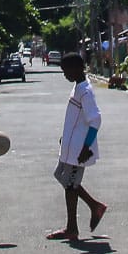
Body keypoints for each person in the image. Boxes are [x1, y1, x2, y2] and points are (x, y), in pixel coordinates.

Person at [47, 53, 106, 241]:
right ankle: (94, 206)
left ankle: (72, 228)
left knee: (71, 185)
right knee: (61, 176)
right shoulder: (78, 87)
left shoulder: (86, 91)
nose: (65, 74)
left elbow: (95, 120)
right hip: (70, 145)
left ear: (78, 68)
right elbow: (76, 118)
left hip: (80, 149)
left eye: (66, 70)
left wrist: (86, 146)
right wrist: (65, 138)